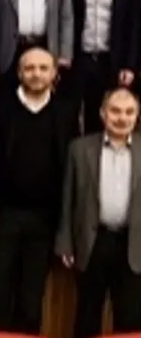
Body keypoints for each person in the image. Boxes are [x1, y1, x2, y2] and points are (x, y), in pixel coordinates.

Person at [0, 47, 79, 335]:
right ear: (19, 72)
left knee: (31, 304)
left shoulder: (66, 111)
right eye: (30, 68)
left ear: (54, 73)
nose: (36, 74)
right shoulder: (1, 107)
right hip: (5, 216)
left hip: (45, 220)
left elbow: (71, 170)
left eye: (43, 68)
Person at [57, 87, 141, 338]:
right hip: (93, 241)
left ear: (137, 116)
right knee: (87, 316)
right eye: (115, 111)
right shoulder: (79, 149)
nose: (122, 118)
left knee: (130, 320)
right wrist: (65, 242)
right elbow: (67, 198)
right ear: (103, 113)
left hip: (133, 245)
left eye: (129, 112)